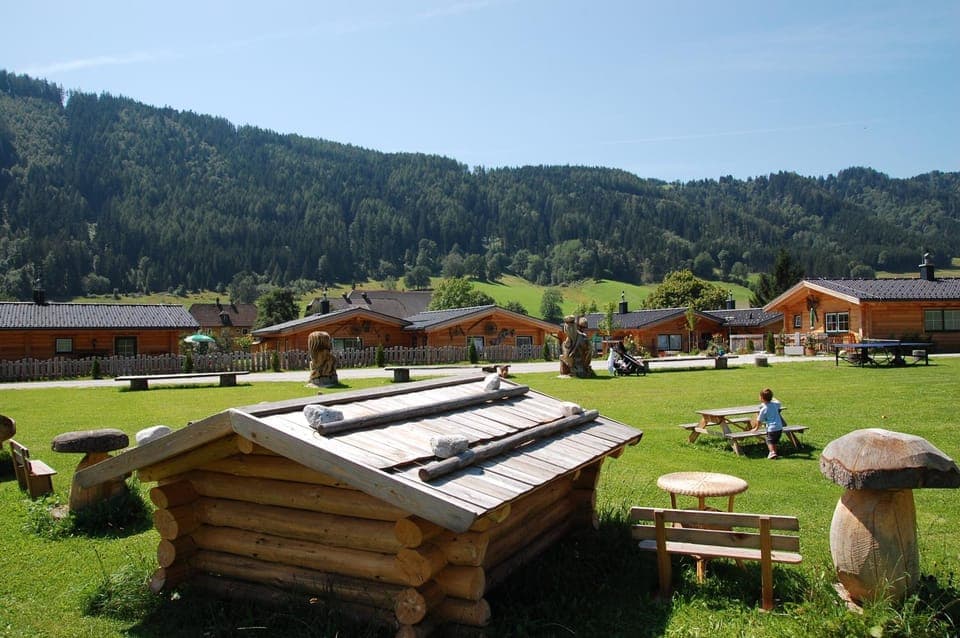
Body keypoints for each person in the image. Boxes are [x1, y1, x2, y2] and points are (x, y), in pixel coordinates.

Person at [752, 387, 783, 459]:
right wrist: (772, 398)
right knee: (774, 442)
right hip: (779, 427)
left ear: (762, 398)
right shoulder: (775, 405)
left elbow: (759, 420)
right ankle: (774, 454)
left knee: (769, 441)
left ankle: (772, 453)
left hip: (772, 428)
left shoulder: (764, 409)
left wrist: (756, 428)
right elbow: (779, 402)